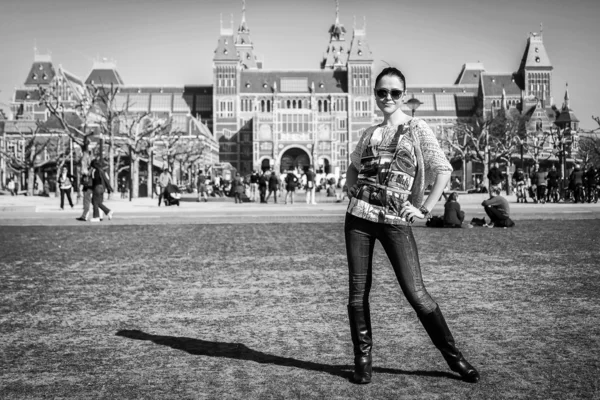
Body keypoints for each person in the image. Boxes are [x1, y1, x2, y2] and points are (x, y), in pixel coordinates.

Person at [344, 67, 479, 385]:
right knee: (357, 293)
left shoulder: (417, 128)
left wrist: (424, 208)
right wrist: (351, 190)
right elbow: (352, 167)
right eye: (381, 92)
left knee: (416, 293)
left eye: (393, 92)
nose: (387, 97)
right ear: (375, 94)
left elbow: (442, 170)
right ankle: (362, 361)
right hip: (358, 219)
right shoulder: (369, 134)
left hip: (394, 221)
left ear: (403, 95)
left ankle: (455, 358)